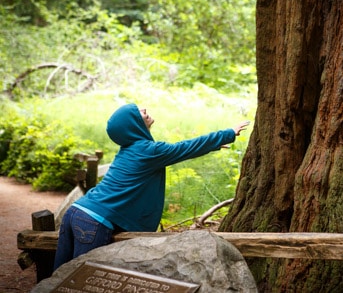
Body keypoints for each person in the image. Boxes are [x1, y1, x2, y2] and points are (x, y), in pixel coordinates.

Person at [53, 103, 249, 270]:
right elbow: (184, 148)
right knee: (83, 277)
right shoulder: (148, 151)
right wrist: (227, 134)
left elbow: (184, 149)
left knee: (59, 276)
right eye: (138, 111)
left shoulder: (129, 150)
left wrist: (212, 145)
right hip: (93, 221)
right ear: (132, 124)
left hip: (76, 213)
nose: (144, 109)